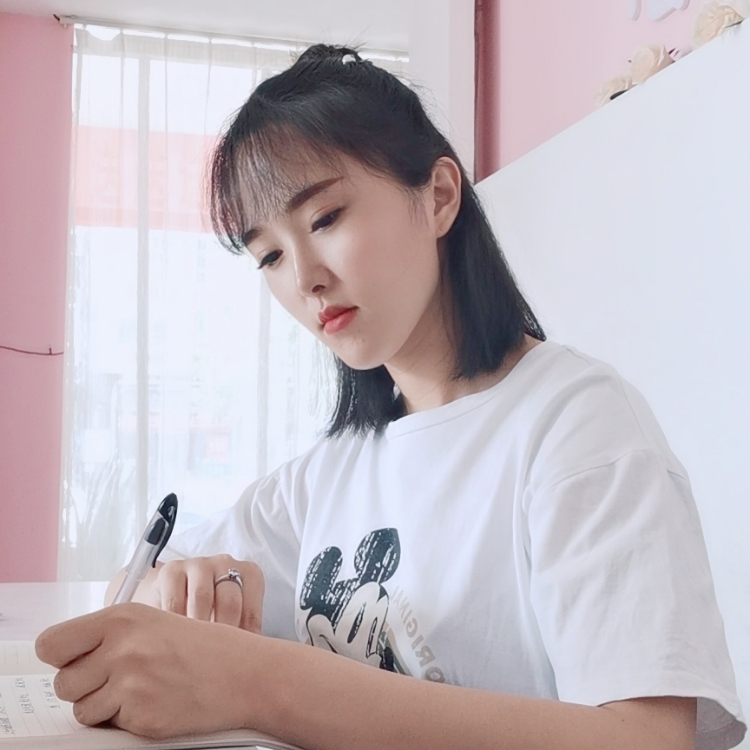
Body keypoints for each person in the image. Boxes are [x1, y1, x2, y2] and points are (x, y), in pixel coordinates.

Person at [36, 44, 745, 750]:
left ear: (438, 196)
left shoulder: (578, 428)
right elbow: (136, 582)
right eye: (270, 256)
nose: (304, 279)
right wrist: (176, 590)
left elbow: (647, 739)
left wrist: (263, 682)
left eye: (325, 218)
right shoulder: (330, 472)